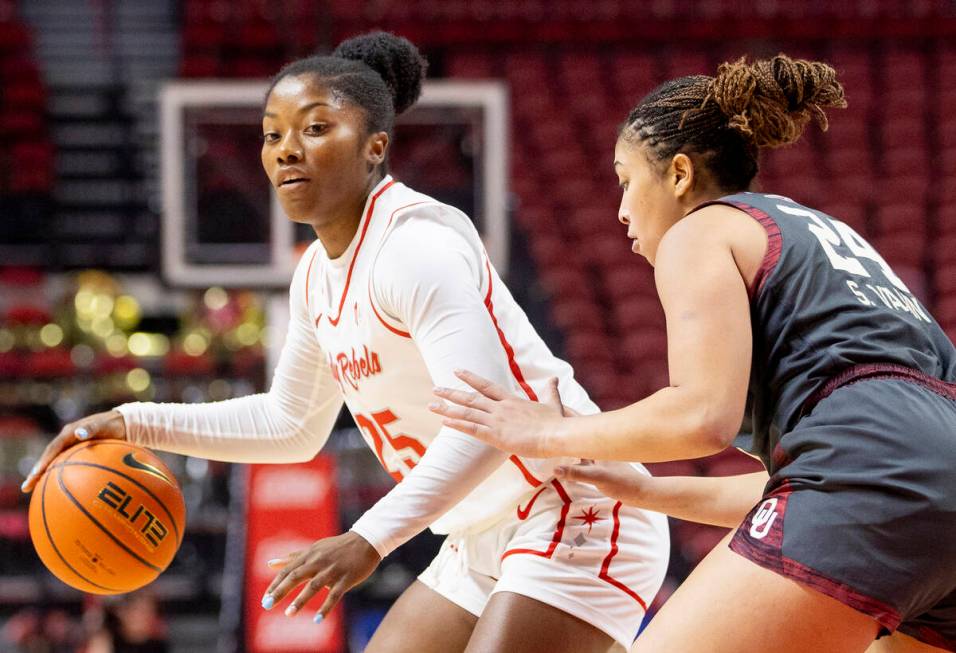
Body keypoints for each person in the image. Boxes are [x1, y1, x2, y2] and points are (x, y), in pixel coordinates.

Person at [22, 32, 669, 653]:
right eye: (273, 134)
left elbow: (487, 426)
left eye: (315, 128)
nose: (286, 150)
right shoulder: (314, 275)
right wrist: (130, 421)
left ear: (374, 145)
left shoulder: (415, 246)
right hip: (481, 527)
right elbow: (290, 423)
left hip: (572, 502)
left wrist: (367, 538)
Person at [429, 54, 956, 652]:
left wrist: (544, 432)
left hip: (872, 474)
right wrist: (646, 492)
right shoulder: (827, 238)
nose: (623, 209)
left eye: (627, 180)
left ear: (679, 174)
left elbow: (703, 417)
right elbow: (829, 483)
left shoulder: (701, 229)